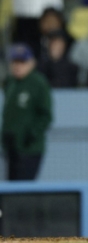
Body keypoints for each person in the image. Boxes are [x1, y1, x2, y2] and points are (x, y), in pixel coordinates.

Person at [1, 43, 52, 180]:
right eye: (15, 62)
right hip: (12, 147)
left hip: (30, 147)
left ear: (31, 63)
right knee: (11, 188)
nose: (18, 66)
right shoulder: (11, 83)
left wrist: (32, 133)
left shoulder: (38, 83)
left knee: (23, 188)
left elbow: (46, 115)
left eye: (22, 62)